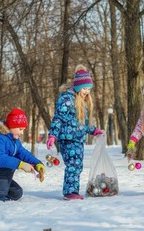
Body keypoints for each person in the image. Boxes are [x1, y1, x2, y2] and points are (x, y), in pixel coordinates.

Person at [47, 64, 103, 200]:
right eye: (84, 88)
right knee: (73, 164)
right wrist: (53, 134)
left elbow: (81, 124)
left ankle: (73, 190)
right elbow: (58, 117)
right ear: (78, 86)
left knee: (78, 165)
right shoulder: (67, 99)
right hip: (67, 138)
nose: (86, 92)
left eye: (89, 89)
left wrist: (93, 130)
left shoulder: (81, 101)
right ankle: (70, 191)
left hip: (78, 139)